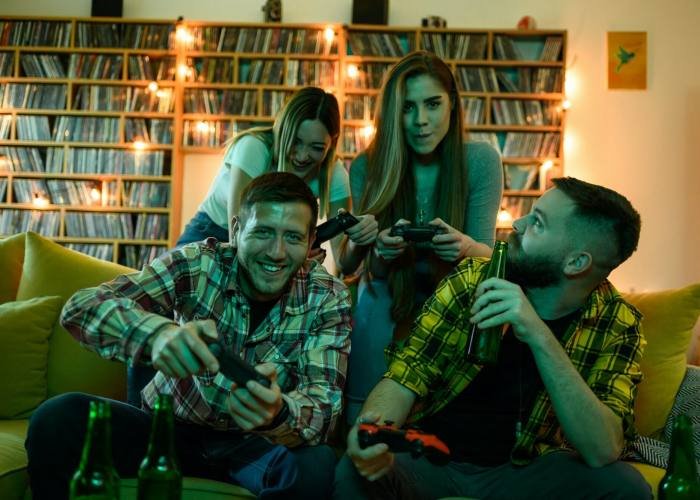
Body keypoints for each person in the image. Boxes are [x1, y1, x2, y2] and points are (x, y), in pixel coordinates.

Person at [26, 172, 352, 500]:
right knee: (56, 418)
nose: (277, 252)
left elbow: (324, 407)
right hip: (167, 432)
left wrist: (278, 411)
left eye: (293, 238)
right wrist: (158, 334)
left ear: (311, 243)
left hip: (255, 444)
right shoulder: (197, 264)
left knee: (317, 465)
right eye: (263, 232)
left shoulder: (326, 295)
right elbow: (81, 308)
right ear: (237, 231)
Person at [334, 177, 652, 499]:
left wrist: (538, 333)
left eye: (537, 223)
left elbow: (603, 449)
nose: (517, 223)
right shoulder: (473, 278)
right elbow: (407, 373)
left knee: (626, 487)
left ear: (576, 262)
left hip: (528, 472)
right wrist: (374, 437)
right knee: (354, 470)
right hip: (437, 459)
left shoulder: (618, 323)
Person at [343, 51, 503, 422]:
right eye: (407, 108)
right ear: (392, 113)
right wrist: (380, 250)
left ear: (453, 105)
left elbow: (488, 258)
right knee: (372, 301)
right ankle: (362, 428)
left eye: (433, 104)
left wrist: (464, 247)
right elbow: (362, 268)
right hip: (388, 293)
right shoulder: (368, 165)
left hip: (454, 298)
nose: (421, 121)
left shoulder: (480, 160)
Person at [177, 86, 376, 272]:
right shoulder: (254, 148)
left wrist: (357, 241)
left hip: (267, 242)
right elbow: (238, 240)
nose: (302, 155)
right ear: (282, 130)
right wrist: (296, 256)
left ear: (331, 144)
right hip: (213, 233)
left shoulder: (335, 174)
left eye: (316, 148)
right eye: (295, 142)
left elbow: (344, 263)